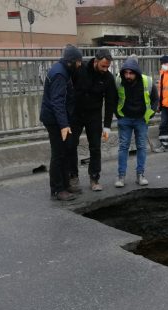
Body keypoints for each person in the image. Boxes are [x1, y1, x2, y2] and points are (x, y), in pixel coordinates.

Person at [68, 49, 117, 192]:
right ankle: (73, 176)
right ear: (95, 61)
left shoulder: (108, 78)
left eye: (107, 67)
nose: (105, 69)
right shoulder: (80, 69)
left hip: (94, 115)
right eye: (103, 66)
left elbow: (110, 102)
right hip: (76, 114)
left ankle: (94, 178)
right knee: (71, 145)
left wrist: (107, 125)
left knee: (95, 147)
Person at [39, 45, 83, 201]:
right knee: (58, 154)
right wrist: (64, 125)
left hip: (59, 119)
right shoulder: (59, 74)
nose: (80, 65)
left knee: (65, 152)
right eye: (78, 61)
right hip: (54, 120)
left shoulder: (64, 70)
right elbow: (57, 102)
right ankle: (58, 189)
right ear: (71, 61)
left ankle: (65, 185)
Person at [114, 56, 158, 187]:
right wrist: (118, 115)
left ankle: (140, 175)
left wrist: (149, 115)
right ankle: (121, 177)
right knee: (123, 147)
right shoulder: (119, 81)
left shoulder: (147, 82)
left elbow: (155, 99)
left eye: (131, 73)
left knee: (141, 147)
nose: (128, 76)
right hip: (125, 119)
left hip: (141, 120)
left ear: (136, 73)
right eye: (126, 73)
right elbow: (113, 98)